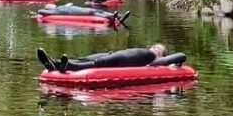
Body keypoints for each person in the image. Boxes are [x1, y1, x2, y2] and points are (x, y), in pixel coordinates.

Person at [35, 44, 187, 72]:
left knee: (99, 63)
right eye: (154, 46)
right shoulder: (143, 53)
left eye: (158, 49)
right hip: (116, 54)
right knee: (85, 58)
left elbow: (181, 55)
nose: (154, 49)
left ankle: (65, 66)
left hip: (122, 60)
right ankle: (54, 64)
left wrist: (174, 64)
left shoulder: (152, 59)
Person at [37, 2, 128, 21]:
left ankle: (118, 16)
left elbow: (70, 4)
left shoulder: (61, 6)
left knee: (97, 10)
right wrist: (45, 10)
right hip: (80, 13)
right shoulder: (55, 12)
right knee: (95, 13)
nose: (53, 5)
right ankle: (112, 17)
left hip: (81, 9)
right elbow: (41, 11)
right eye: (51, 6)